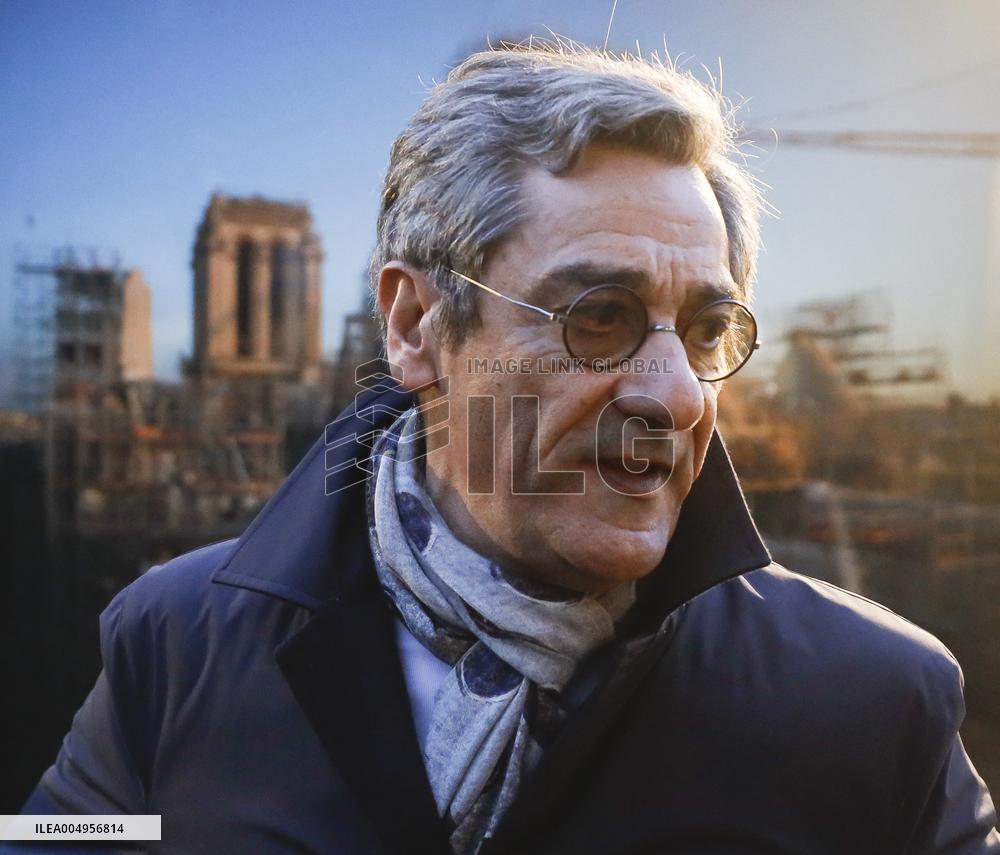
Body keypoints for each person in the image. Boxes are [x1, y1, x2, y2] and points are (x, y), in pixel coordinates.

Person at [14, 42, 999, 855]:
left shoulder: (875, 702)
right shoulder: (173, 645)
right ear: (413, 327)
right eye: (597, 316)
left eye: (705, 334)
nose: (674, 392)